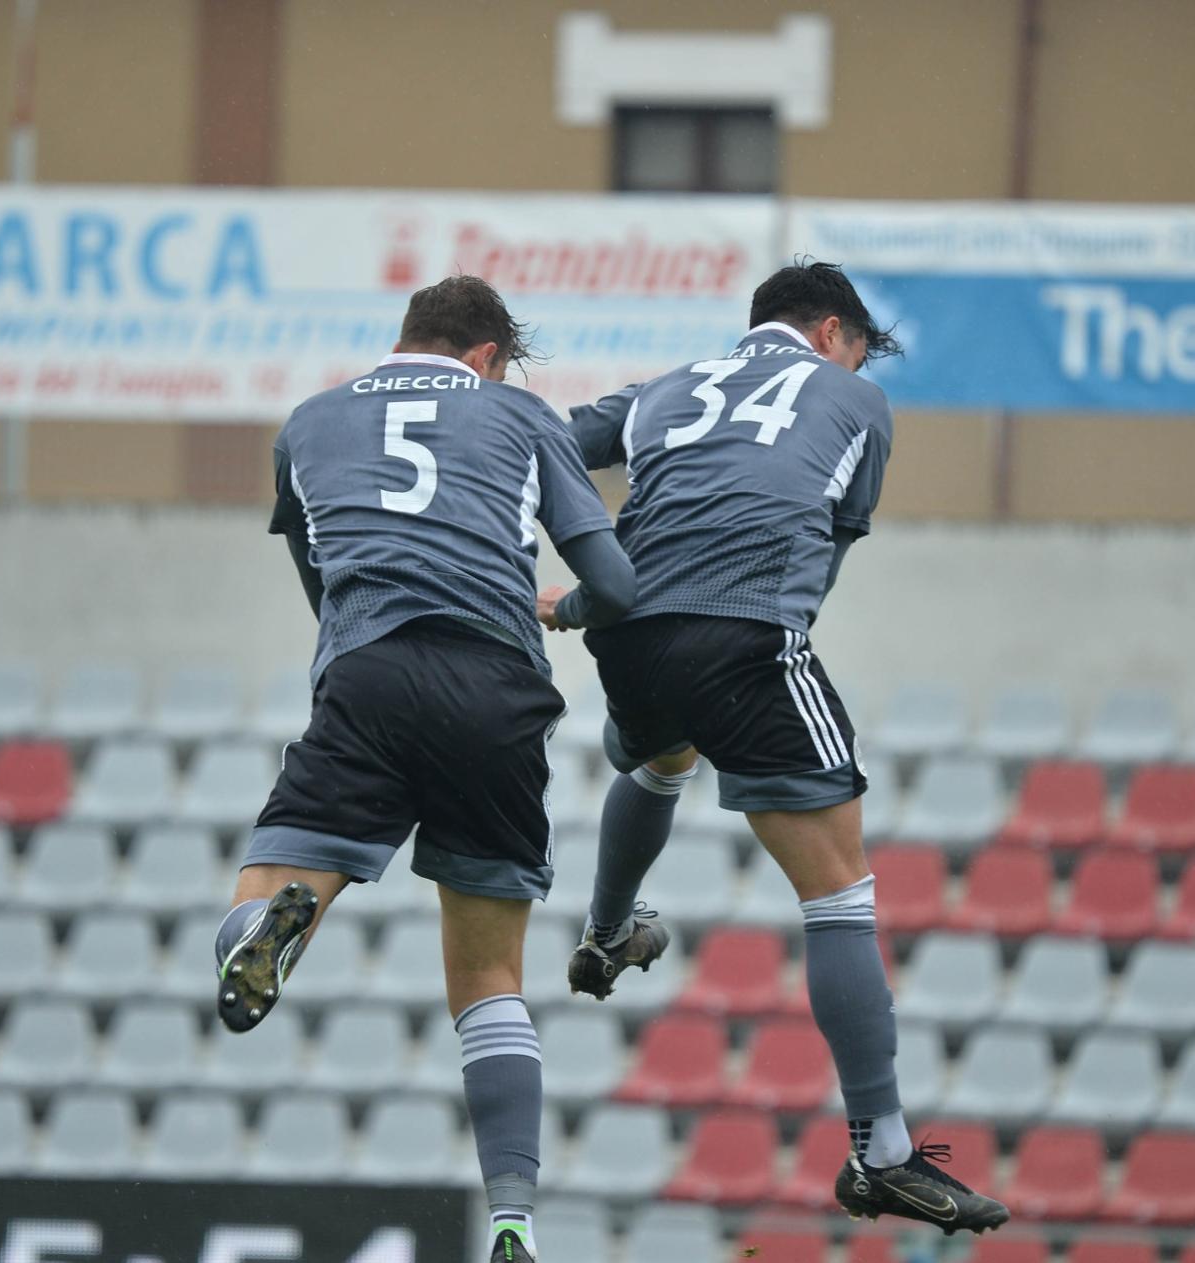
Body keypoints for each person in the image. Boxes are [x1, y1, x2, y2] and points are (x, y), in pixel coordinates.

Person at [560, 261, 1010, 1235]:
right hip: (748, 636)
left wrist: (585, 592)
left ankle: (604, 932)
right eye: (855, 346)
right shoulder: (856, 400)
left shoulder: (665, 390)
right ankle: (883, 1152)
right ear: (832, 333)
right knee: (839, 891)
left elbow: (543, 450)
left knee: (658, 755)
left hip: (629, 636)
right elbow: (833, 540)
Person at [212, 275, 635, 1263]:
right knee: (488, 978)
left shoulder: (309, 424)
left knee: (268, 891)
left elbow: (316, 574)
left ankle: (265, 929)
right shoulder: (521, 417)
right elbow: (613, 582)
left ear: (405, 339)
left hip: (369, 677)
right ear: (486, 357)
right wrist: (563, 611)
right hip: (495, 687)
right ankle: (513, 1221)